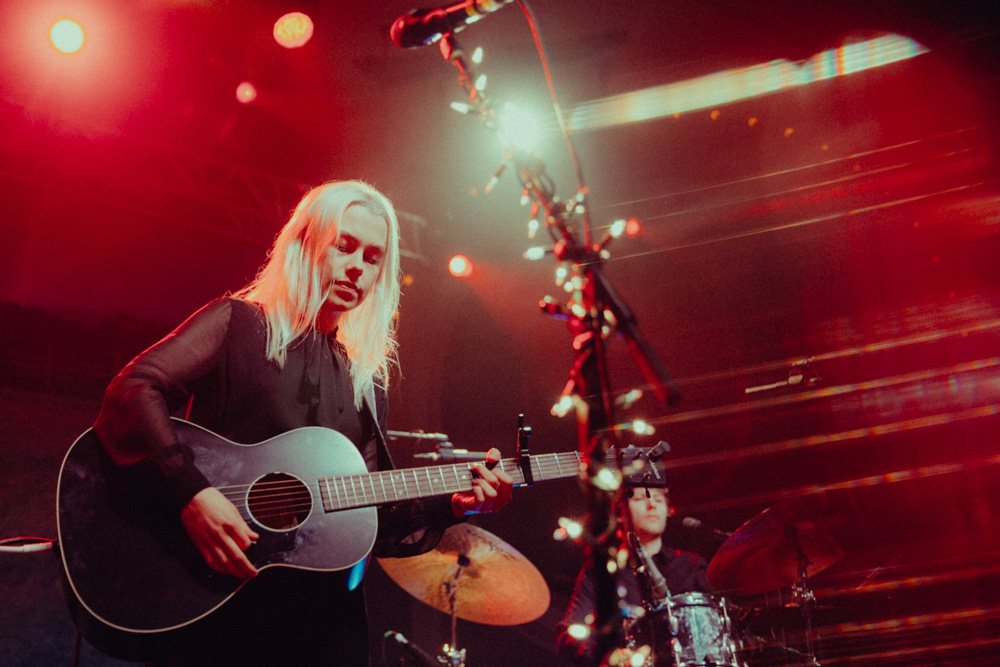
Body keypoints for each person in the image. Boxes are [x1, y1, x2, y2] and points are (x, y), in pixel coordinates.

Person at [93, 180, 514, 666]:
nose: (357, 267)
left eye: (373, 258)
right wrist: (192, 494)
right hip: (221, 603)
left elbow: (371, 518)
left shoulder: (365, 382)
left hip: (319, 623)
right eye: (344, 246)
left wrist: (455, 503)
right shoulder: (237, 325)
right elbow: (133, 391)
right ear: (304, 243)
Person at [556, 486, 712, 666]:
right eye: (640, 498)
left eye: (659, 500)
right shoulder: (601, 572)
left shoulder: (692, 565)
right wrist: (614, 657)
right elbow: (568, 635)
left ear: (668, 511)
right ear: (619, 513)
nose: (652, 505)